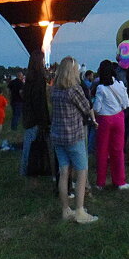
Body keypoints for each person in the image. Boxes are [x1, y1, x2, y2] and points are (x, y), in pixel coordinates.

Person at [50, 57, 98, 224]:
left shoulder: (54, 90)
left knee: (63, 173)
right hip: (74, 136)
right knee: (82, 172)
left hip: (58, 136)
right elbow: (86, 108)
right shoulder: (74, 90)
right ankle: (79, 211)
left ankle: (65, 210)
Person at [92, 59, 129, 191]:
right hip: (119, 119)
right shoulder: (120, 85)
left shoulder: (100, 88)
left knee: (102, 151)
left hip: (104, 120)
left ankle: (101, 182)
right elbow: (126, 104)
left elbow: (97, 108)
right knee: (118, 150)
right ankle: (120, 180)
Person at [20, 51, 50, 177]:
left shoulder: (30, 78)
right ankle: (30, 169)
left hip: (29, 117)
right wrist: (44, 121)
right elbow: (39, 102)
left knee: (29, 144)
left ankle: (27, 169)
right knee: (33, 145)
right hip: (36, 119)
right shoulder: (38, 79)